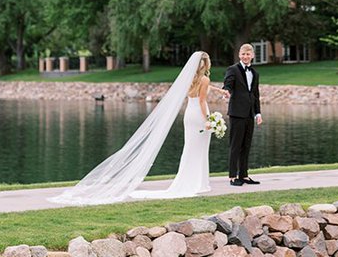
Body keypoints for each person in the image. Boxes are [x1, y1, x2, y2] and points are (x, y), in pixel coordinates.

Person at [51, 51, 217, 205]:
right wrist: (208, 119)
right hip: (200, 116)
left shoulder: (190, 79)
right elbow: (202, 101)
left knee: (189, 148)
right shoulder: (204, 80)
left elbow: (201, 93)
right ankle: (199, 183)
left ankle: (190, 181)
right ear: (206, 64)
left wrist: (218, 91)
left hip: (189, 115)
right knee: (200, 149)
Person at [223, 43, 263, 186]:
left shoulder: (255, 73)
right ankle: (233, 176)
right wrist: (226, 90)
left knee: (246, 145)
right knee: (235, 145)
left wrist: (257, 113)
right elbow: (228, 83)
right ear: (239, 55)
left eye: (248, 54)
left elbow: (255, 95)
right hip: (236, 113)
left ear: (252, 55)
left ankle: (244, 175)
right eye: (243, 54)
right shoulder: (232, 69)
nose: (245, 57)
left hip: (249, 114)